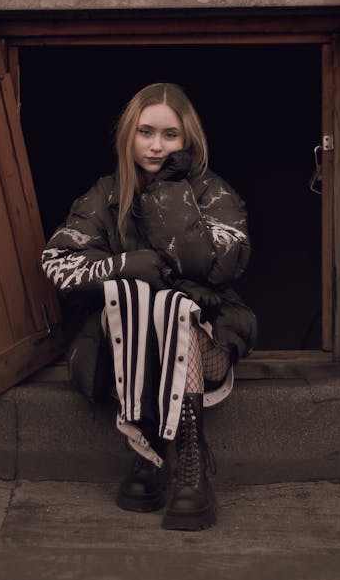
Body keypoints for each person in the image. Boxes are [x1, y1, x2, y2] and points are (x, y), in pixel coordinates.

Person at [41, 82, 257, 531]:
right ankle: (147, 453)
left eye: (170, 135)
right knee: (135, 297)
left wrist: (170, 190)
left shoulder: (212, 192)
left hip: (203, 339)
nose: (156, 145)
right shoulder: (105, 193)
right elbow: (58, 263)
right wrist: (124, 265)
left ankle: (191, 464)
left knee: (176, 308)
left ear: (188, 139)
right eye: (145, 132)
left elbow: (222, 265)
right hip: (124, 346)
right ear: (128, 136)